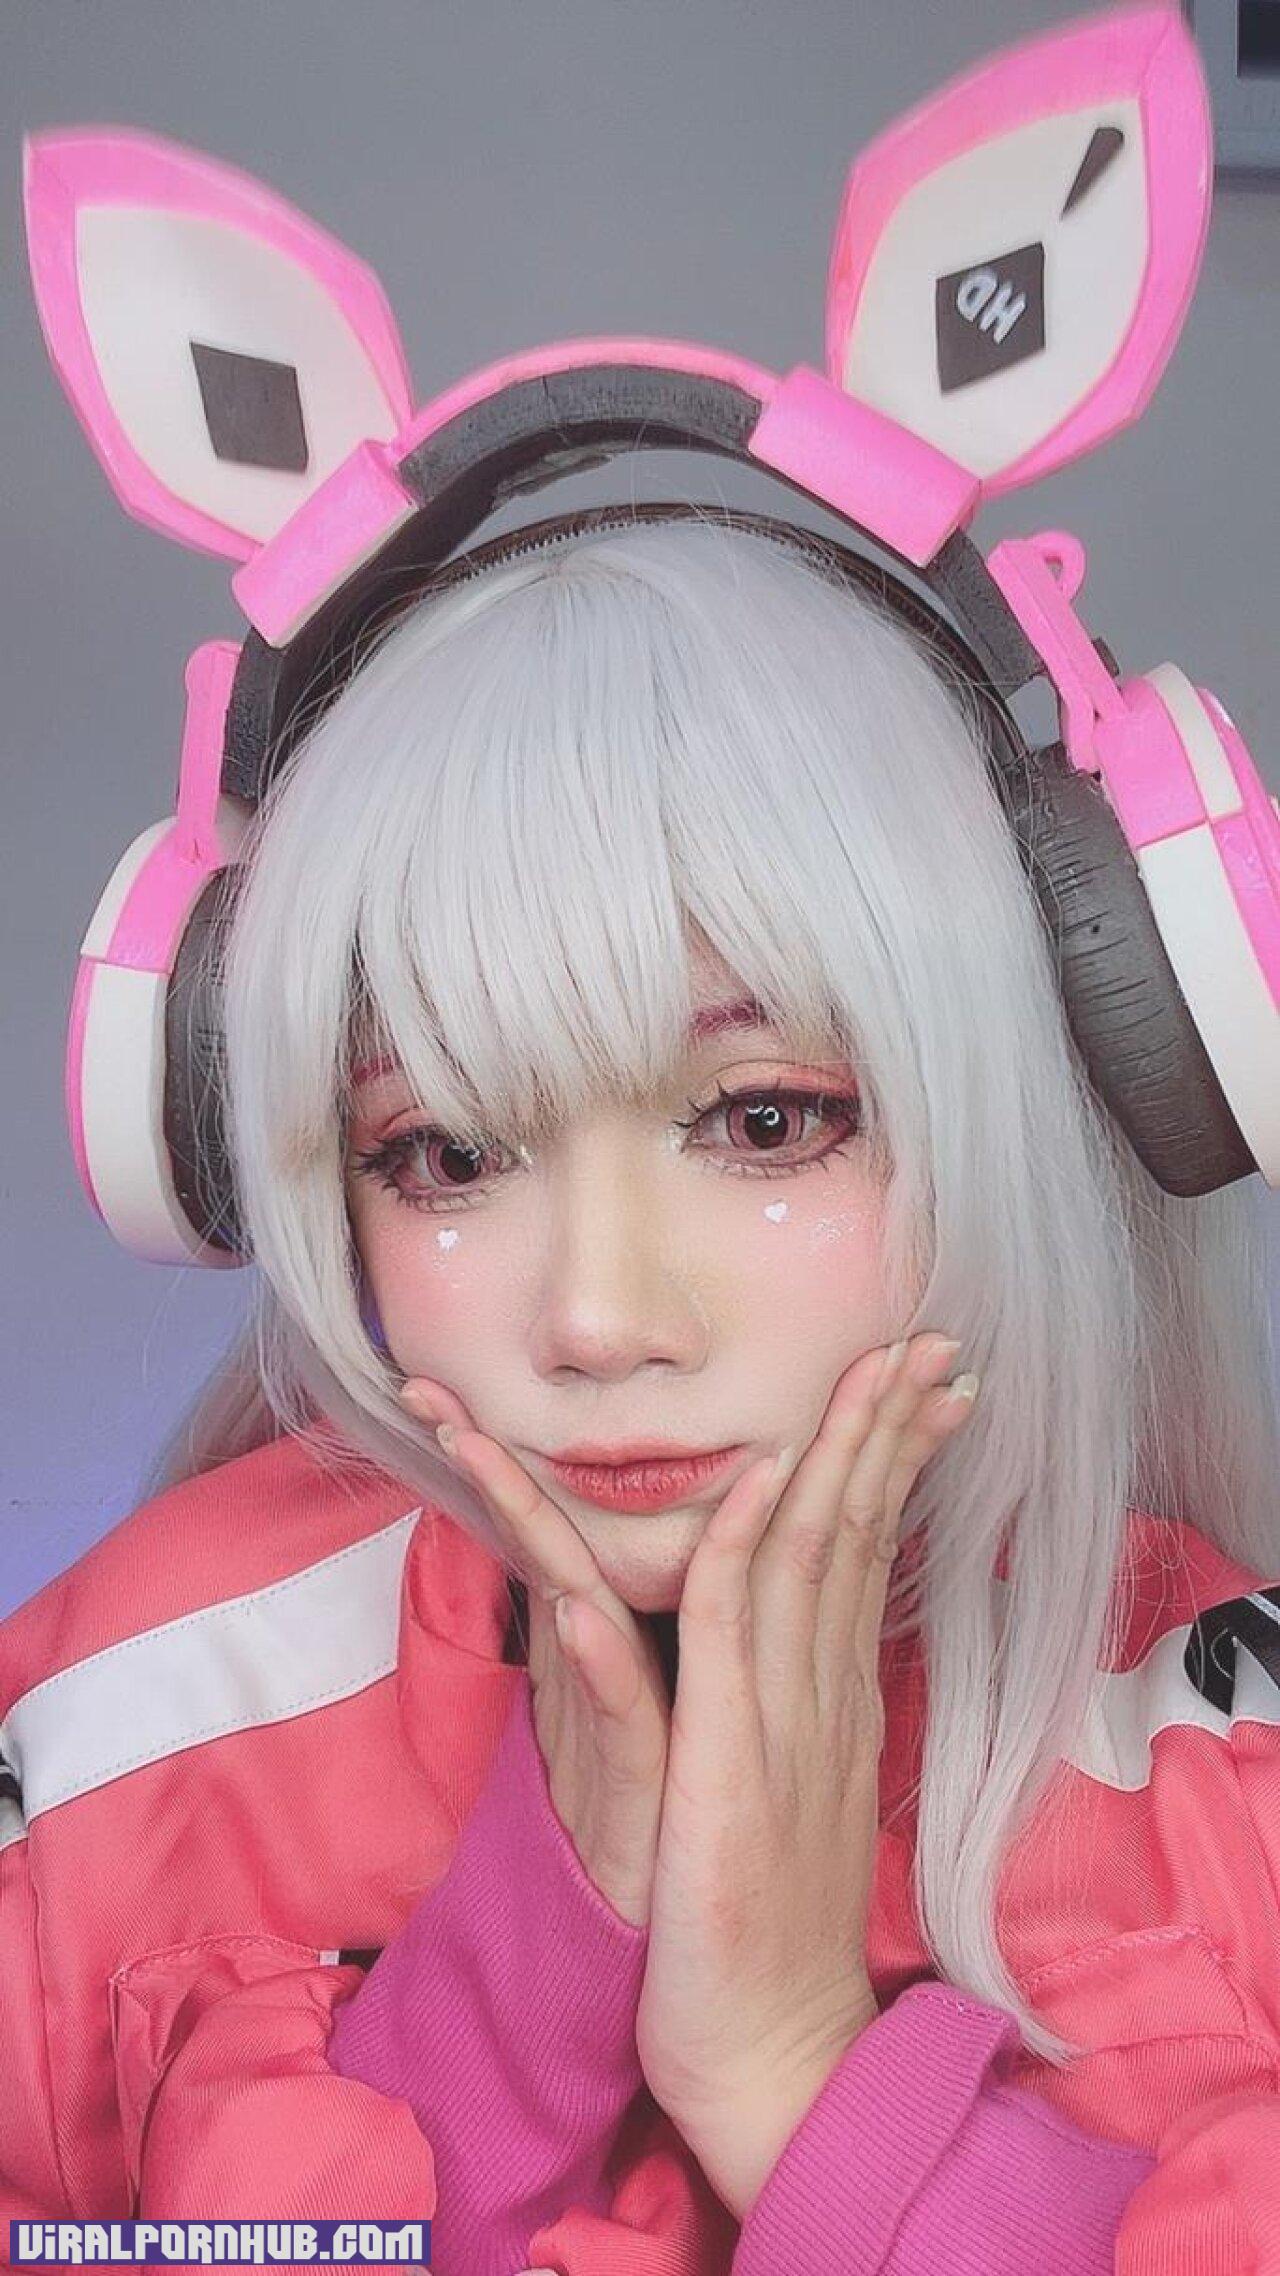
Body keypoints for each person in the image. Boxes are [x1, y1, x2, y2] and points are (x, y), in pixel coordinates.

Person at [7, 8, 1279, 2273]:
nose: (598, 1318)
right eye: (441, 1154)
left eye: (765, 1119)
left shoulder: (1232, 1779)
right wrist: (525, 1972)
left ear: (1076, 1057)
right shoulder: (119, 1741)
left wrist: (801, 2081)